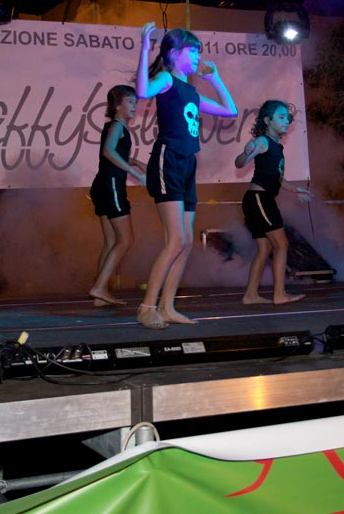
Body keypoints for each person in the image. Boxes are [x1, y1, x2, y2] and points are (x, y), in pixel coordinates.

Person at [135, 22, 237, 329]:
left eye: (198, 52)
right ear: (174, 53)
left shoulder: (191, 91)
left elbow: (230, 110)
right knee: (176, 238)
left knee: (188, 241)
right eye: (193, 51)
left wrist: (215, 78)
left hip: (187, 164)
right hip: (168, 159)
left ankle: (167, 307)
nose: (197, 57)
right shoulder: (167, 79)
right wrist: (144, 48)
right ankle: (147, 307)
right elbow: (142, 91)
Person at [235, 100, 313, 305]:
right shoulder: (263, 141)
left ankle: (250, 295)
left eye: (288, 118)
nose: (286, 121)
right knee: (281, 244)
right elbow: (240, 163)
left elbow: (277, 179)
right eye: (281, 117)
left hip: (258, 200)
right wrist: (246, 152)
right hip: (259, 199)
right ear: (267, 120)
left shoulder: (276, 146)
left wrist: (295, 190)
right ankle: (279, 294)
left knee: (265, 248)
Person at [87, 84, 146, 307]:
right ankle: (99, 287)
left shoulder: (117, 128)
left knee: (111, 241)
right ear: (117, 105)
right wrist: (134, 173)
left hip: (103, 185)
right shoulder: (116, 126)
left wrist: (135, 162)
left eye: (135, 102)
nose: (134, 106)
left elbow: (114, 152)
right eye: (130, 102)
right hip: (110, 185)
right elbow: (108, 151)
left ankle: (99, 295)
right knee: (126, 239)